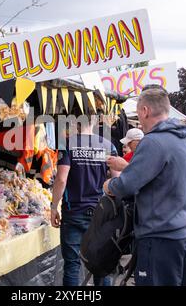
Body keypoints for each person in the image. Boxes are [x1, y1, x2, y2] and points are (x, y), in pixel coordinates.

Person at [103, 86, 186, 286]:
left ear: (145, 111)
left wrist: (109, 185)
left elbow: (126, 185)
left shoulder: (153, 142)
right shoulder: (184, 140)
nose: (140, 120)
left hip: (160, 237)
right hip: (185, 234)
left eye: (139, 114)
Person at [51, 114, 119, 286]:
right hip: (101, 212)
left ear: (75, 122)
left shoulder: (67, 144)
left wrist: (53, 207)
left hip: (73, 212)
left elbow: (61, 179)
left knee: (72, 265)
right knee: (101, 264)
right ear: (95, 121)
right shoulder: (108, 145)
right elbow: (117, 182)